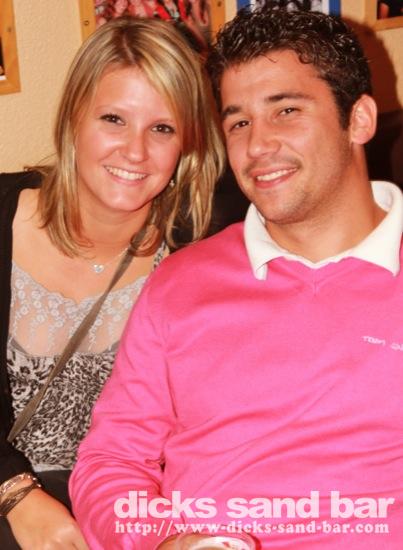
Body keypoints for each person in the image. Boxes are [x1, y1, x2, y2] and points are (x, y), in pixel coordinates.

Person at [70, 5, 403, 549]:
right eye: (239, 122)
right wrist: (161, 542)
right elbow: (112, 460)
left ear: (359, 120)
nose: (257, 145)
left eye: (286, 110)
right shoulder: (181, 283)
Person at [0, 15, 224, 550]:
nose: (135, 151)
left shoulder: (201, 255)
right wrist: (16, 495)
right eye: (114, 119)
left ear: (187, 142)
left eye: (162, 128)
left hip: (127, 515)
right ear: (74, 117)